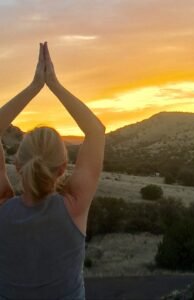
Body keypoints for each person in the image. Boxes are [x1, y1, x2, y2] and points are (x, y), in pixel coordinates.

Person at [0, 42, 106, 299]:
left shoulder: (3, 208)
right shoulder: (74, 205)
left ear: (16, 166)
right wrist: (54, 85)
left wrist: (34, 87)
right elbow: (96, 131)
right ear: (62, 169)